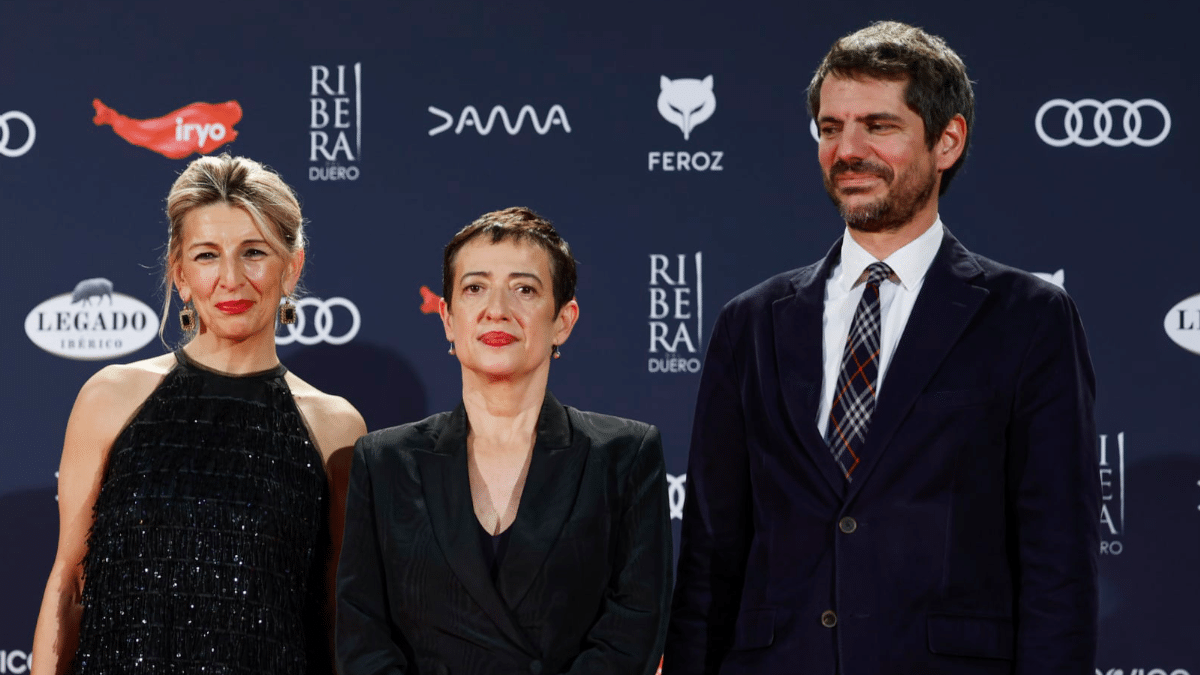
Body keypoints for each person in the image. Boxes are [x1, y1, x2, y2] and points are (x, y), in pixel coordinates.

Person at [664, 21, 1098, 675]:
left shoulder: (1029, 318)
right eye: (831, 127)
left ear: (947, 140)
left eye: (878, 125)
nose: (848, 149)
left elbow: (1058, 561)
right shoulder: (749, 323)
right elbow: (710, 556)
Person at [31, 154, 367, 675]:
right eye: (207, 255)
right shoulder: (111, 398)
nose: (230, 279)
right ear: (180, 273)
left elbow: (335, 615)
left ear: (292, 267)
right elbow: (69, 584)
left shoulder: (335, 427)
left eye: (253, 252)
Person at [336, 207, 672, 675]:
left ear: (563, 320)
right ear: (448, 318)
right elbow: (362, 637)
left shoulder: (624, 454)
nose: (497, 309)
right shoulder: (385, 461)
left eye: (525, 289)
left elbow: (634, 626)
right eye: (475, 288)